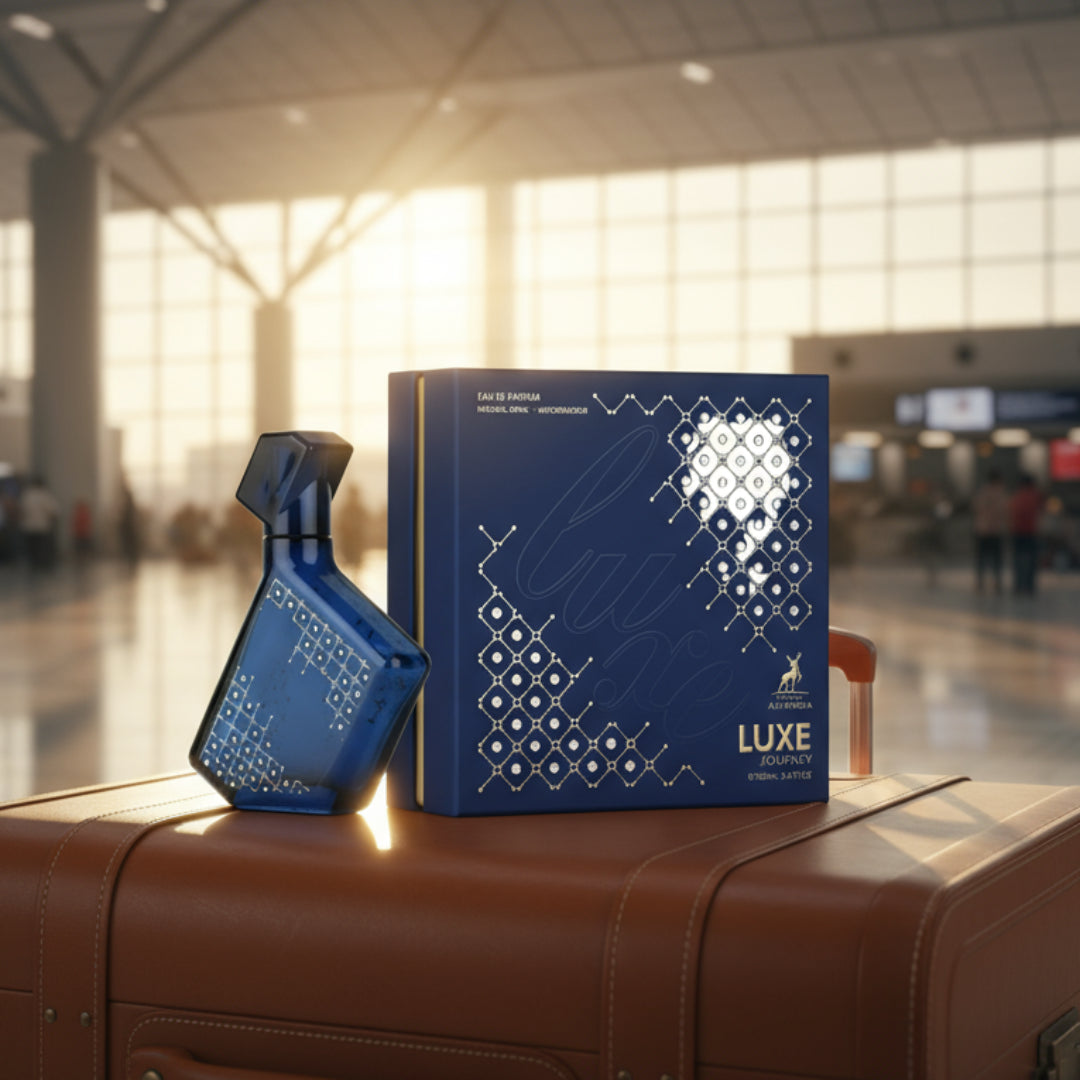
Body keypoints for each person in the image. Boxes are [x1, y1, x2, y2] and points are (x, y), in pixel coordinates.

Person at [971, 469, 1008, 594]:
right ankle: (996, 582)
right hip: (995, 530)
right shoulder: (1000, 493)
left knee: (982, 558)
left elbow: (976, 508)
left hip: (982, 530)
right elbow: (1003, 511)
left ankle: (980, 582)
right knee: (996, 559)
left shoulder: (982, 492)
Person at [1009, 473, 1042, 595]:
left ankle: (1018, 585)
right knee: (1032, 561)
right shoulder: (1035, 495)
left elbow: (1011, 513)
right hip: (1031, 532)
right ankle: (1029, 586)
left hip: (1018, 532)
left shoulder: (1016, 496)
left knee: (1018, 561)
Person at [19, 476, 60, 570]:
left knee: (32, 548)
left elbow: (21, 511)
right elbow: (53, 511)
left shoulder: (26, 495)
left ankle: (33, 565)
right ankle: (41, 565)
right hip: (42, 527)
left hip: (28, 527)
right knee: (41, 548)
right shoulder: (45, 495)